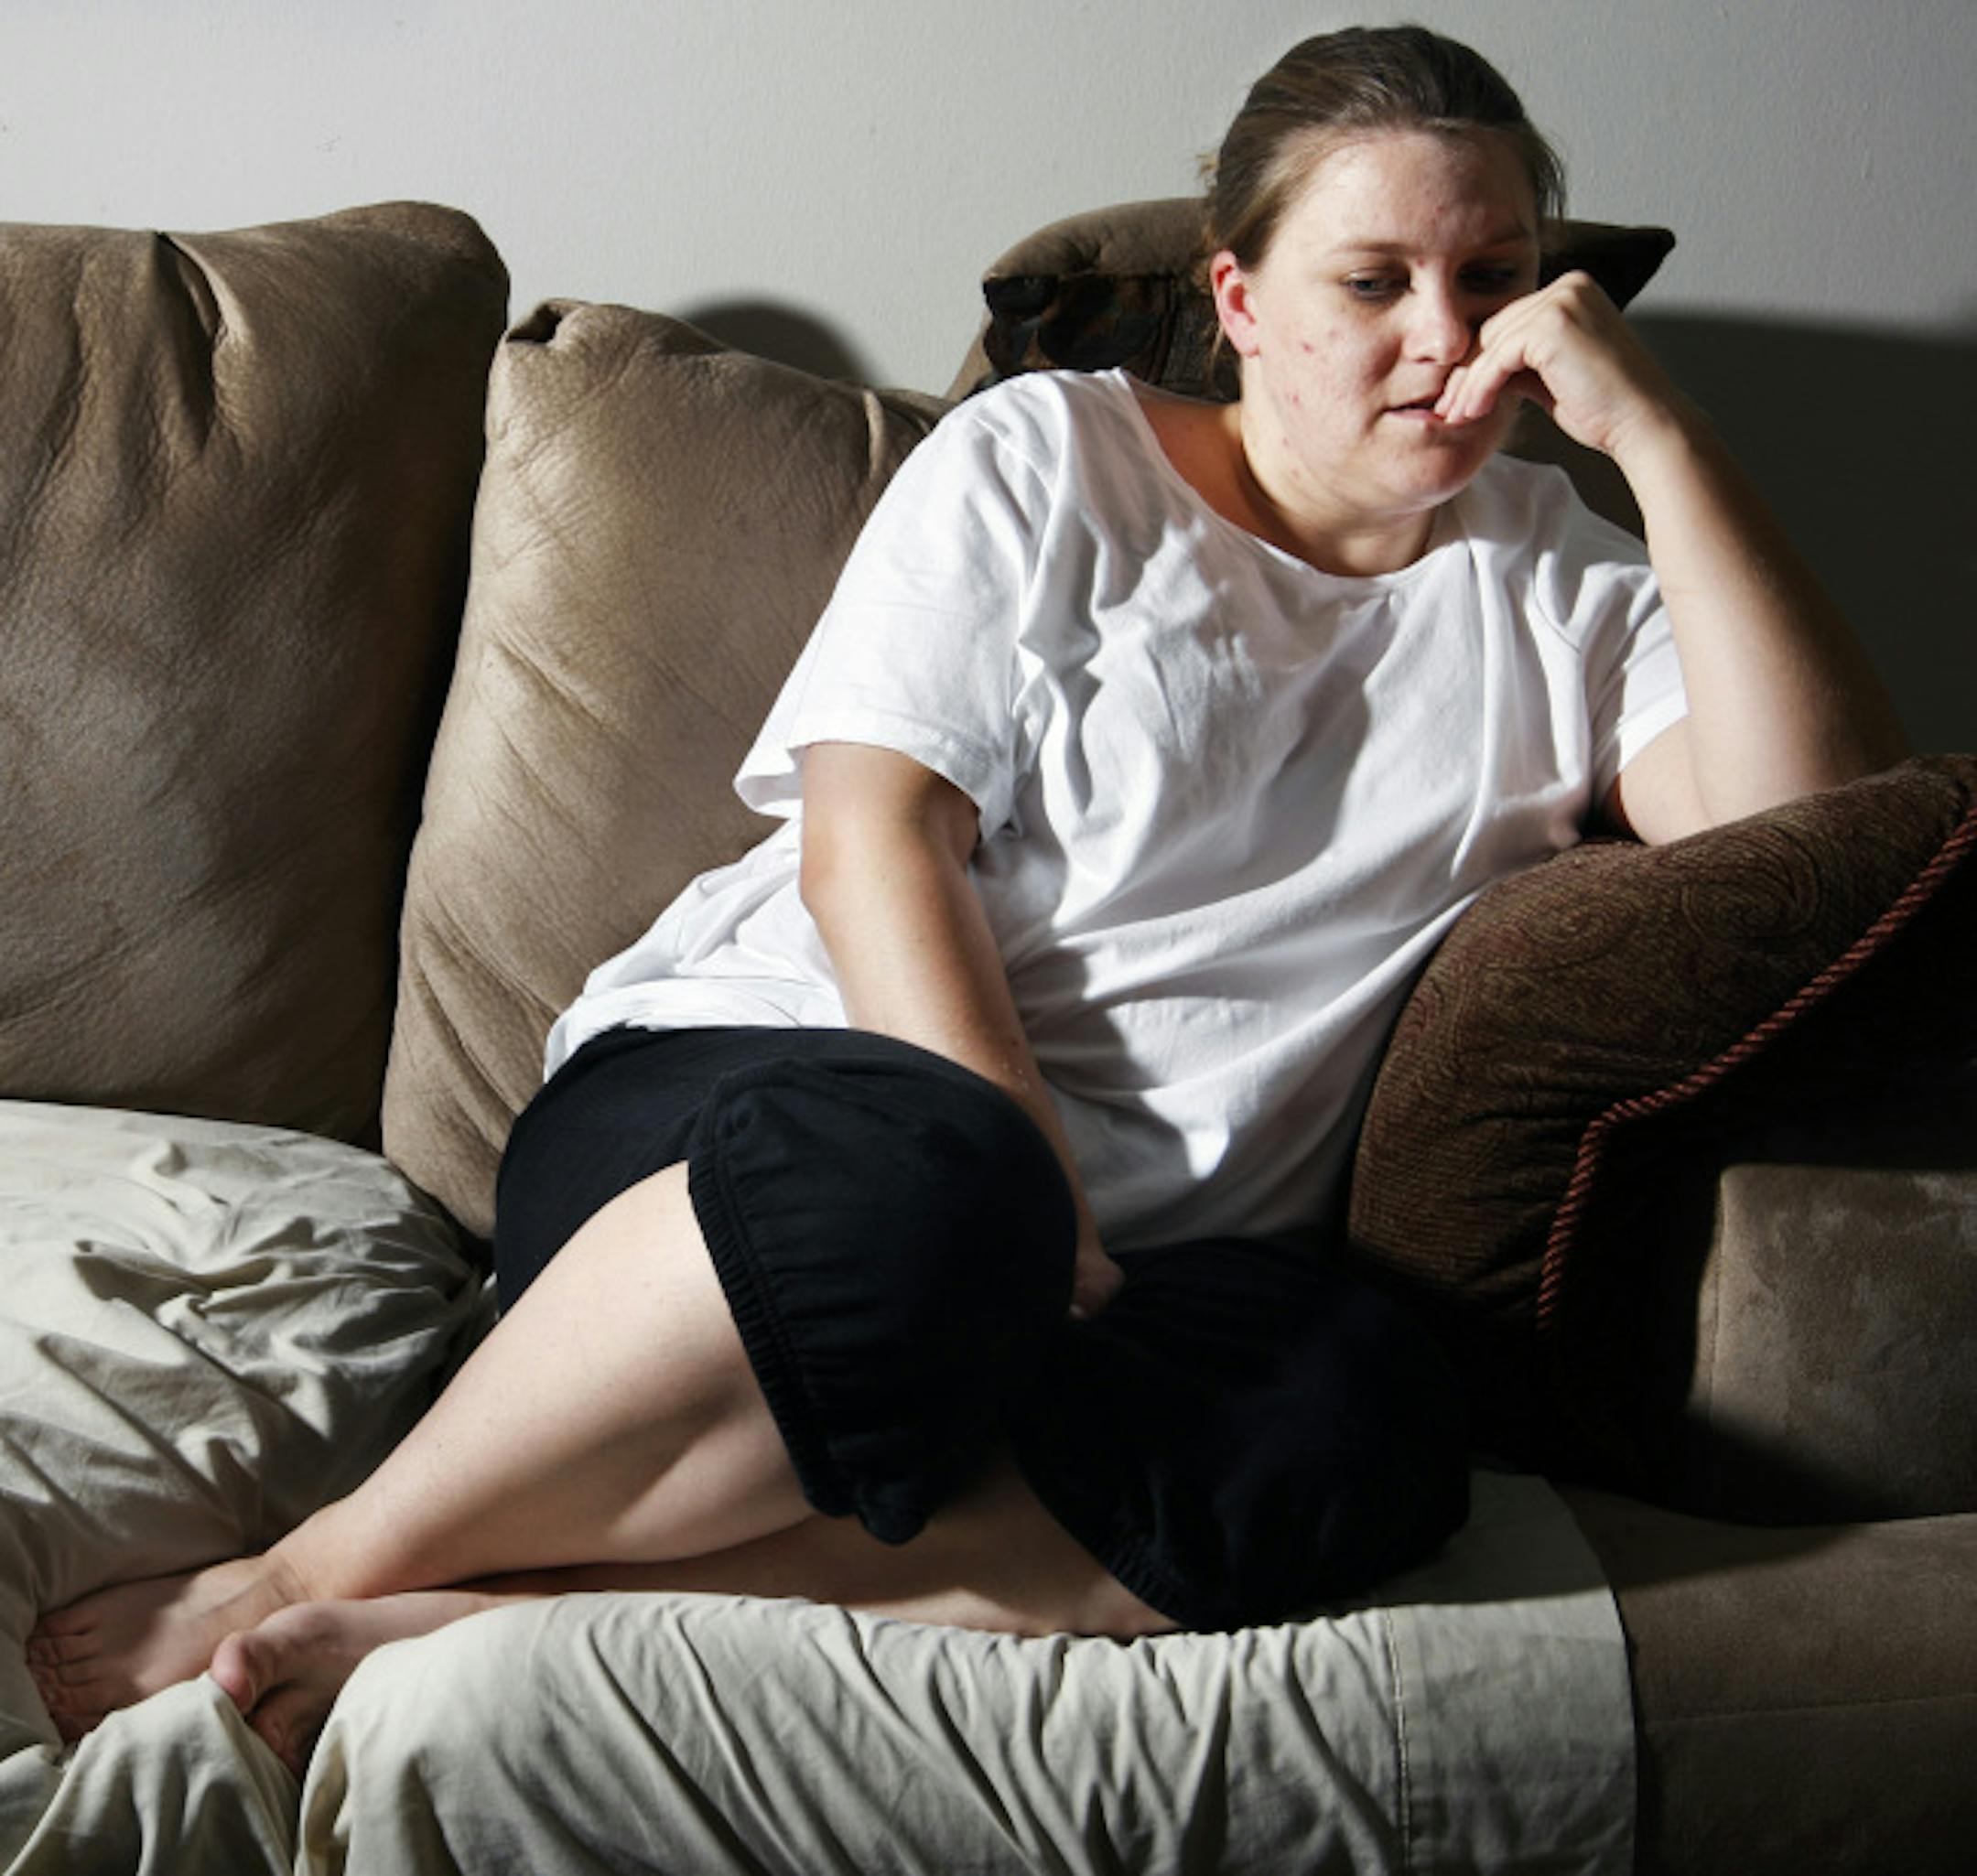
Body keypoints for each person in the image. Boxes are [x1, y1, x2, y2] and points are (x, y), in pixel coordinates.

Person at [27, 24, 1906, 1777]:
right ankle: (307, 1567)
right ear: (1240, 303)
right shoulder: (1057, 456)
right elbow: (871, 836)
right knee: (935, 1199)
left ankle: (486, 1618)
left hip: (1120, 1290)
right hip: (770, 1134)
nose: (1447, 333)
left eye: (1491, 277)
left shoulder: (1562, 586)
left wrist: (1657, 439)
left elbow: (1813, 839)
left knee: (1372, 1418)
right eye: (1375, 280)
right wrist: (1028, 1178)